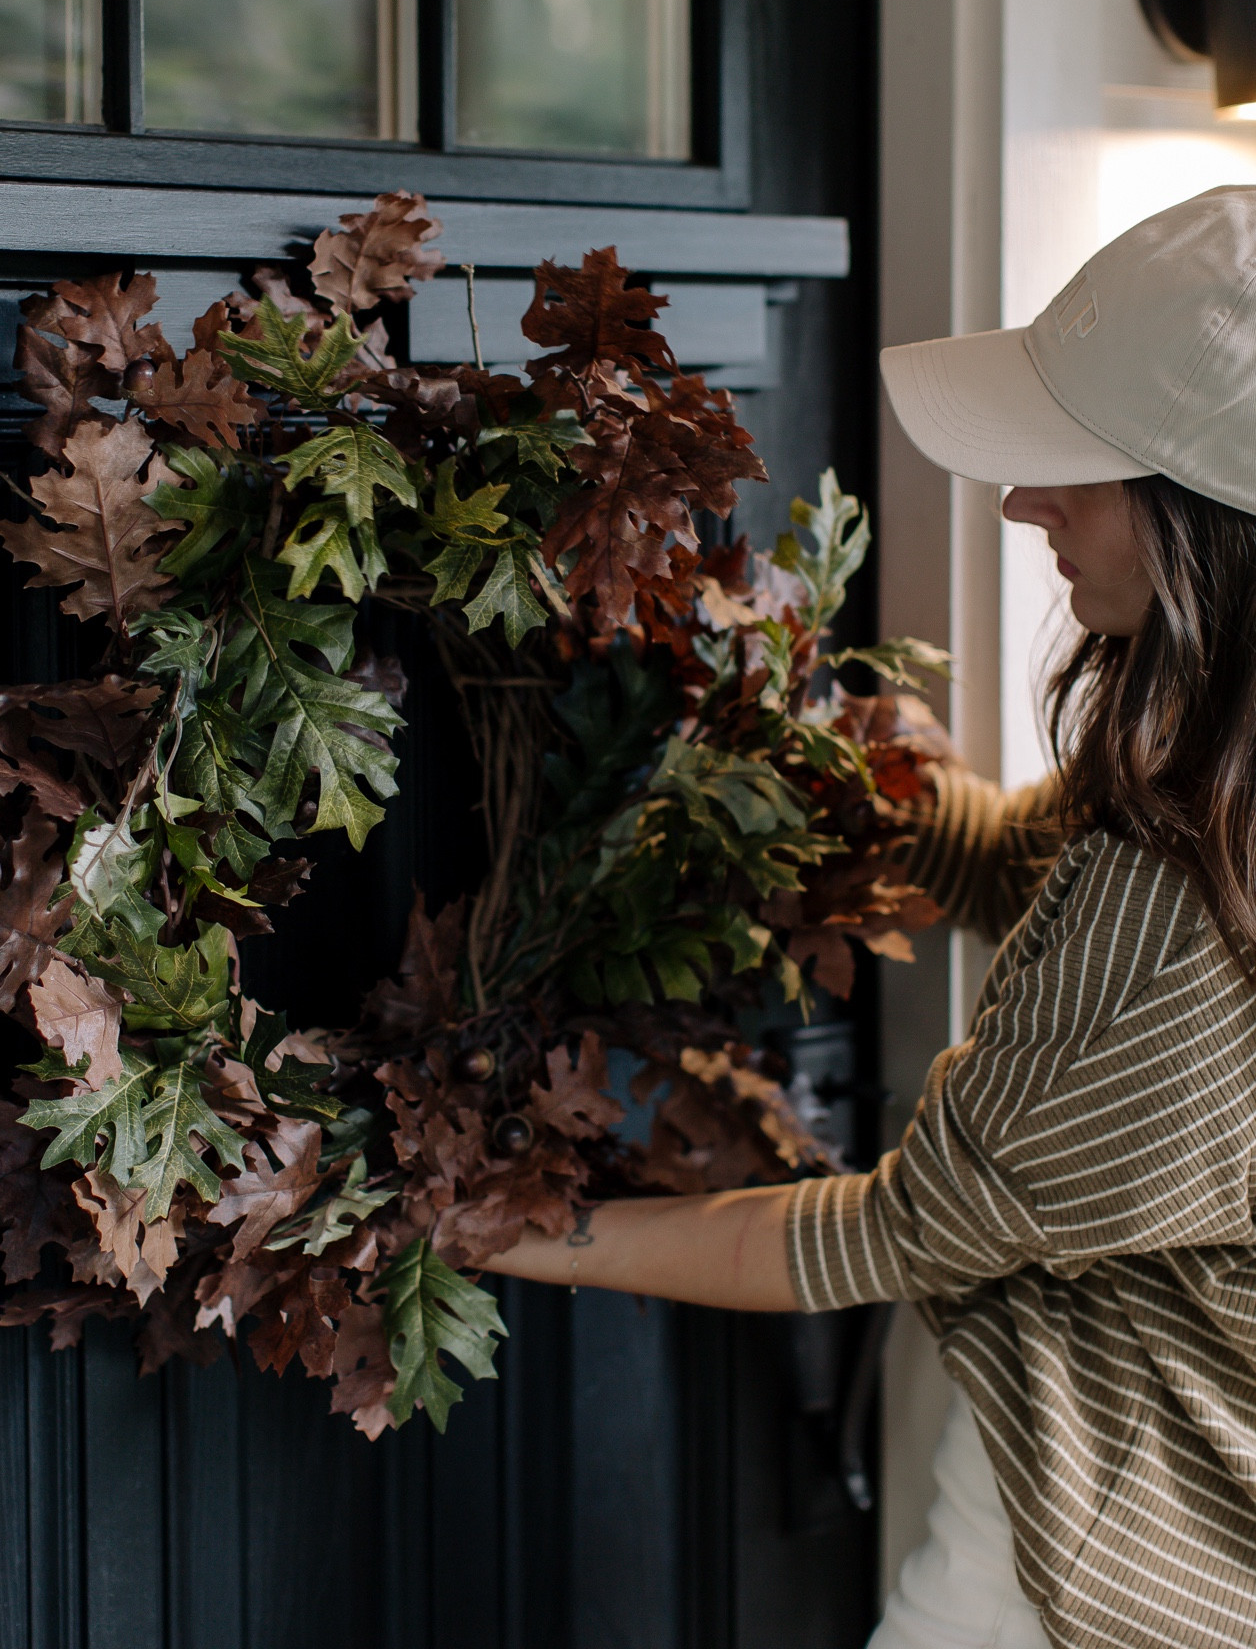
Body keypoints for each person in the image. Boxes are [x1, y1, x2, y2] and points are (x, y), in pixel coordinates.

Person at [488, 185, 1256, 1649]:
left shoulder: (1177, 913)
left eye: (1073, 469)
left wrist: (519, 1232)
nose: (1022, 504)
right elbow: (1033, 867)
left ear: (1204, 521)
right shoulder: (1210, 789)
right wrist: (851, 753)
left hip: (1127, 1558)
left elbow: (891, 1234)